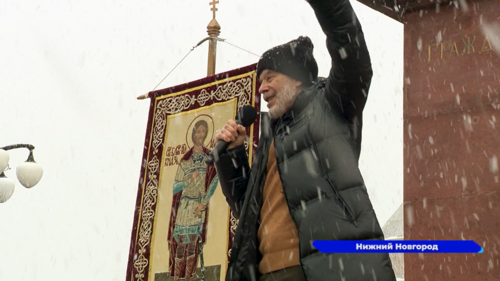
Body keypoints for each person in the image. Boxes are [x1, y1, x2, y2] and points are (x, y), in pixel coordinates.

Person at [213, 0, 396, 280]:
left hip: (324, 268)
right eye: (260, 81)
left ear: (297, 79)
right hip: (267, 272)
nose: (261, 88)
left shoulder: (330, 106)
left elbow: (351, 51)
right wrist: (233, 156)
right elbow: (246, 212)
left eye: (270, 77)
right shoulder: (269, 137)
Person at [168, 120, 219, 281]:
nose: (201, 135)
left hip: (198, 204)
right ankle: (177, 278)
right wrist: (190, 179)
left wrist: (203, 202)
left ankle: (189, 277)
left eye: (204, 132)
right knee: (181, 244)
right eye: (198, 132)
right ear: (193, 134)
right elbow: (175, 188)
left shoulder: (208, 158)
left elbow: (214, 180)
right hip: (185, 206)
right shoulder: (185, 162)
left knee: (192, 246)